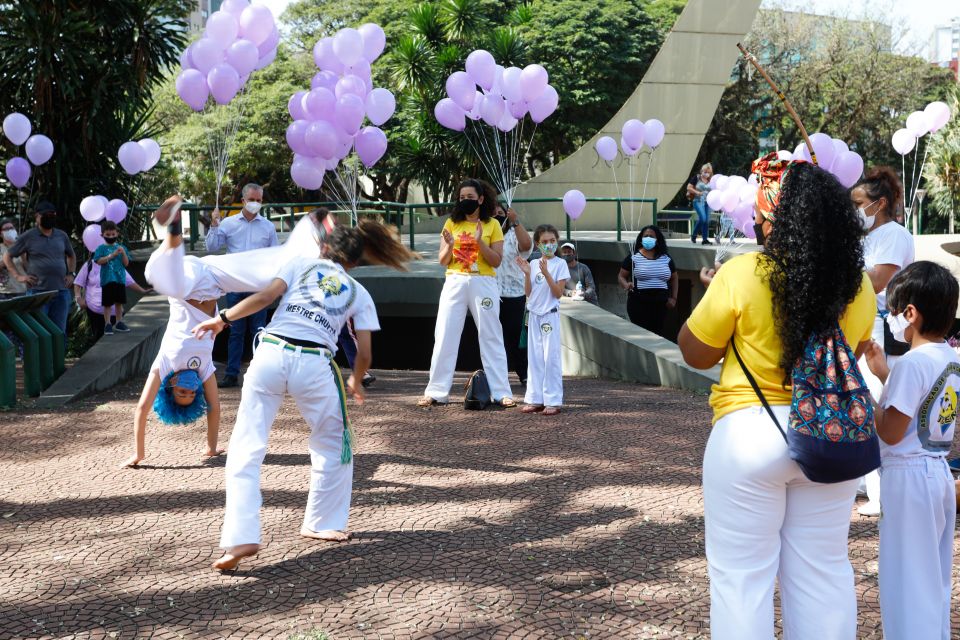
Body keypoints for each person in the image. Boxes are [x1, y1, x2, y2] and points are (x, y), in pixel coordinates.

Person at [677, 156, 876, 639]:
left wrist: (715, 297)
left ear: (774, 219)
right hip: (828, 435)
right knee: (823, 574)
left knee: (742, 581)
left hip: (748, 435)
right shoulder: (860, 285)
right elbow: (855, 350)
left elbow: (695, 352)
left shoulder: (744, 272)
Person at [191, 219, 416, 571]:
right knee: (333, 444)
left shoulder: (299, 264)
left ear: (324, 248)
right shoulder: (359, 292)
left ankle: (239, 538)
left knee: (246, 448)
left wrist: (222, 318)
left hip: (270, 354)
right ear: (356, 262)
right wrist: (355, 380)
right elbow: (367, 354)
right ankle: (323, 523)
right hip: (315, 365)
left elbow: (265, 298)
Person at [121, 195, 334, 468]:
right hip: (213, 277)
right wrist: (211, 447)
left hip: (185, 283)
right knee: (266, 274)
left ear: (170, 388)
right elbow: (214, 407)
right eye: (190, 394)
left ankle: (172, 234)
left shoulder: (164, 364)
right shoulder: (204, 370)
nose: (188, 390)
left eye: (181, 393)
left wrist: (138, 453)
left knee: (157, 277)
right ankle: (314, 229)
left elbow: (141, 409)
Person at [862, 261, 958, 640]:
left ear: (911, 314)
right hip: (938, 473)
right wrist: (885, 374)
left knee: (905, 580)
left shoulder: (912, 364)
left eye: (892, 312)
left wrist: (862, 396)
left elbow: (889, 430)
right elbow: (922, 408)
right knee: (932, 577)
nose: (890, 319)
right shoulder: (951, 357)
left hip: (908, 478)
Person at [850, 167, 915, 516]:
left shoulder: (894, 234)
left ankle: (881, 492)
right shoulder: (868, 238)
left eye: (860, 203)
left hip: (882, 327)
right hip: (867, 323)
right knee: (864, 397)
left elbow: (877, 282)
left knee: (877, 400)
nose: (855, 210)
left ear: (880, 203)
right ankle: (869, 478)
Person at [418, 178, 515, 407]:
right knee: (444, 334)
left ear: (481, 199)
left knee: (491, 334)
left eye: (470, 198)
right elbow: (442, 260)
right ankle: (436, 392)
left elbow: (497, 261)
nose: (466, 201)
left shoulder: (492, 225)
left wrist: (480, 242)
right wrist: (451, 246)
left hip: (484, 281)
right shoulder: (452, 223)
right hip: (455, 280)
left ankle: (501, 392)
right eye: (462, 198)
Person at [205, 183, 279, 387]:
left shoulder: (268, 227)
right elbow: (212, 246)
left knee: (259, 331)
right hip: (235, 285)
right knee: (236, 330)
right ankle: (232, 373)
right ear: (243, 200)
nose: (255, 203)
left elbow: (275, 256)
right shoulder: (228, 223)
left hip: (259, 286)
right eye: (252, 199)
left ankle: (261, 375)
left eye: (259, 200)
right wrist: (214, 224)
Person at [517, 224, 569, 415]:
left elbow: (558, 293)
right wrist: (527, 274)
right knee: (535, 358)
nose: (549, 245)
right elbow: (529, 293)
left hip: (550, 315)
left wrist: (546, 273)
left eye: (552, 241)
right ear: (538, 244)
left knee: (550, 358)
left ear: (557, 242)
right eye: (545, 242)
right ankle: (534, 398)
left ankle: (553, 400)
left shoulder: (560, 264)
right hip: (534, 316)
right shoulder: (532, 263)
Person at [2, 201, 76, 334]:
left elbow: (71, 255)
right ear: (37, 217)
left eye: (52, 214)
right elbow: (8, 256)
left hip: (61, 292)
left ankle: (58, 356)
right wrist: (18, 276)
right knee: (40, 333)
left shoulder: (61, 235)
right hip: (38, 294)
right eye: (46, 215)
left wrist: (71, 273)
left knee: (60, 332)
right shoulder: (28, 236)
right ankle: (43, 356)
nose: (50, 217)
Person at [494, 201, 532, 385]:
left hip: (514, 294)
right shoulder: (485, 234)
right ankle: (496, 376)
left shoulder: (512, 234)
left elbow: (526, 245)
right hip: (490, 293)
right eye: (493, 213)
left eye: (500, 213)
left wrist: (516, 222)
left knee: (516, 335)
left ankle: (523, 373)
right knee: (493, 336)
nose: (497, 216)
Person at [618, 226, 677, 337]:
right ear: (641, 239)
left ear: (657, 239)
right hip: (638, 303)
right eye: (646, 236)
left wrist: (674, 298)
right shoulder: (633, 257)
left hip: (660, 305)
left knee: (657, 335)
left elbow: (674, 278)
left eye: (651, 236)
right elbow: (621, 276)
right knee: (641, 336)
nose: (648, 238)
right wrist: (626, 284)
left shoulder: (666, 258)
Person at [74, 257, 150, 340]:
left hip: (115, 312)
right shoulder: (89, 265)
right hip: (95, 312)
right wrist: (78, 298)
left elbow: (128, 281)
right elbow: (78, 282)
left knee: (119, 340)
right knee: (100, 340)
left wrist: (142, 291)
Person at [92, 221, 131, 335]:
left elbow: (126, 263)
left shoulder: (122, 247)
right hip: (107, 279)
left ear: (117, 233)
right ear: (102, 235)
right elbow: (98, 261)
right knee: (107, 303)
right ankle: (107, 324)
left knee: (119, 302)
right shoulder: (101, 248)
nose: (111, 237)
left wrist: (123, 253)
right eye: (108, 235)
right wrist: (111, 256)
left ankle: (119, 322)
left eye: (113, 234)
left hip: (119, 279)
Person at [0, 217, 27, 299]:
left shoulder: (23, 247)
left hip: (22, 290)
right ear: (1, 234)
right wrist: (11, 254)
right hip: (4, 292)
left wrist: (22, 253)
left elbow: (28, 268)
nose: (10, 230)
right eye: (6, 229)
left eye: (11, 228)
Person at [687, 163, 714, 245]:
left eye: (708, 172)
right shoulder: (697, 177)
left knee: (706, 221)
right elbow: (688, 187)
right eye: (705, 171)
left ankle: (705, 239)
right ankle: (694, 235)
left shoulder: (711, 180)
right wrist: (697, 192)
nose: (706, 173)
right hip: (698, 201)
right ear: (702, 171)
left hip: (708, 202)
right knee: (703, 219)